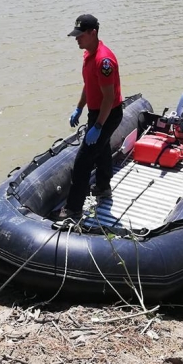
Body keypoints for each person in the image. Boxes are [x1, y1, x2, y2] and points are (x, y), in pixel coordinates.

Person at [58, 14, 124, 220]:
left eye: (80, 35)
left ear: (92, 33)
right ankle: (104, 187)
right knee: (102, 149)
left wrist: (98, 125)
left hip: (108, 113)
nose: (76, 39)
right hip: (97, 111)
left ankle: (73, 209)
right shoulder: (88, 54)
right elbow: (89, 85)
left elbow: (109, 97)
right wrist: (79, 108)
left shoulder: (103, 61)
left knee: (83, 161)